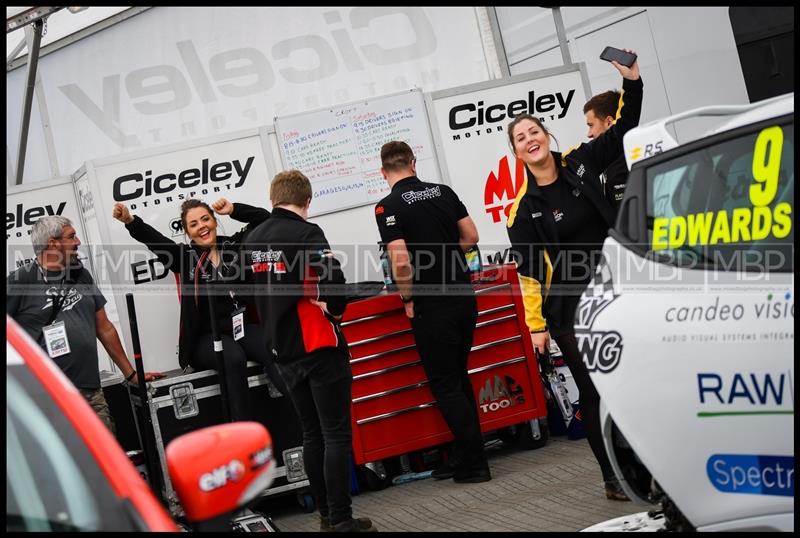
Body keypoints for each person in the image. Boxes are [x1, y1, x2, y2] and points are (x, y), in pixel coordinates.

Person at [505, 49, 643, 501]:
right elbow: (527, 272)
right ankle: (614, 476)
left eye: (534, 131)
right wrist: (536, 327)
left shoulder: (580, 164)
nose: (530, 139)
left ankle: (650, 462)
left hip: (615, 291)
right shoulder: (523, 209)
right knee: (594, 390)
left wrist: (632, 81)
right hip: (569, 310)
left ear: (547, 136)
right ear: (517, 154)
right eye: (521, 137)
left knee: (634, 378)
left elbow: (623, 128)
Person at [243, 170, 376, 533]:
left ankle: (326, 517)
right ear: (307, 201)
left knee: (311, 434)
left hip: (281, 350)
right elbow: (333, 283)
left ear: (273, 199)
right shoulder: (307, 233)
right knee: (334, 433)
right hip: (317, 344)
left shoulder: (252, 239)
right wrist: (334, 311)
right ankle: (342, 518)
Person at [374, 141, 488, 484]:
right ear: (413, 162)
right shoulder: (443, 191)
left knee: (445, 384)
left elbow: (400, 260)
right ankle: (466, 454)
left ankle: (476, 464)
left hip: (431, 305)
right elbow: (471, 235)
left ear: (383, 172)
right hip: (463, 298)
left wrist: (408, 299)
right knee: (457, 377)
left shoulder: (386, 207)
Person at [112, 197, 286, 422]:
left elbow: (264, 220)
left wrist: (234, 209)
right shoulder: (184, 258)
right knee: (233, 357)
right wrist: (130, 221)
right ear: (187, 232)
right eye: (194, 224)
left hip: (239, 328)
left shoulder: (234, 247)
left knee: (271, 345)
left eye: (205, 219)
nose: (202, 226)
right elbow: (155, 241)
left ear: (214, 221)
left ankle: (305, 418)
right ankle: (243, 433)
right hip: (205, 338)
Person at [7, 216, 165, 433]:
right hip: (46, 396)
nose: (78, 242)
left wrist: (131, 374)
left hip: (90, 390)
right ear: (52, 244)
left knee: (105, 455)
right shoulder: (19, 281)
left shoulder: (80, 273)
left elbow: (104, 327)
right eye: (71, 237)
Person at [584, 89, 629, 214]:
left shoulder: (625, 163)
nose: (589, 134)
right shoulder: (610, 162)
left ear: (609, 122)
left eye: (591, 125)